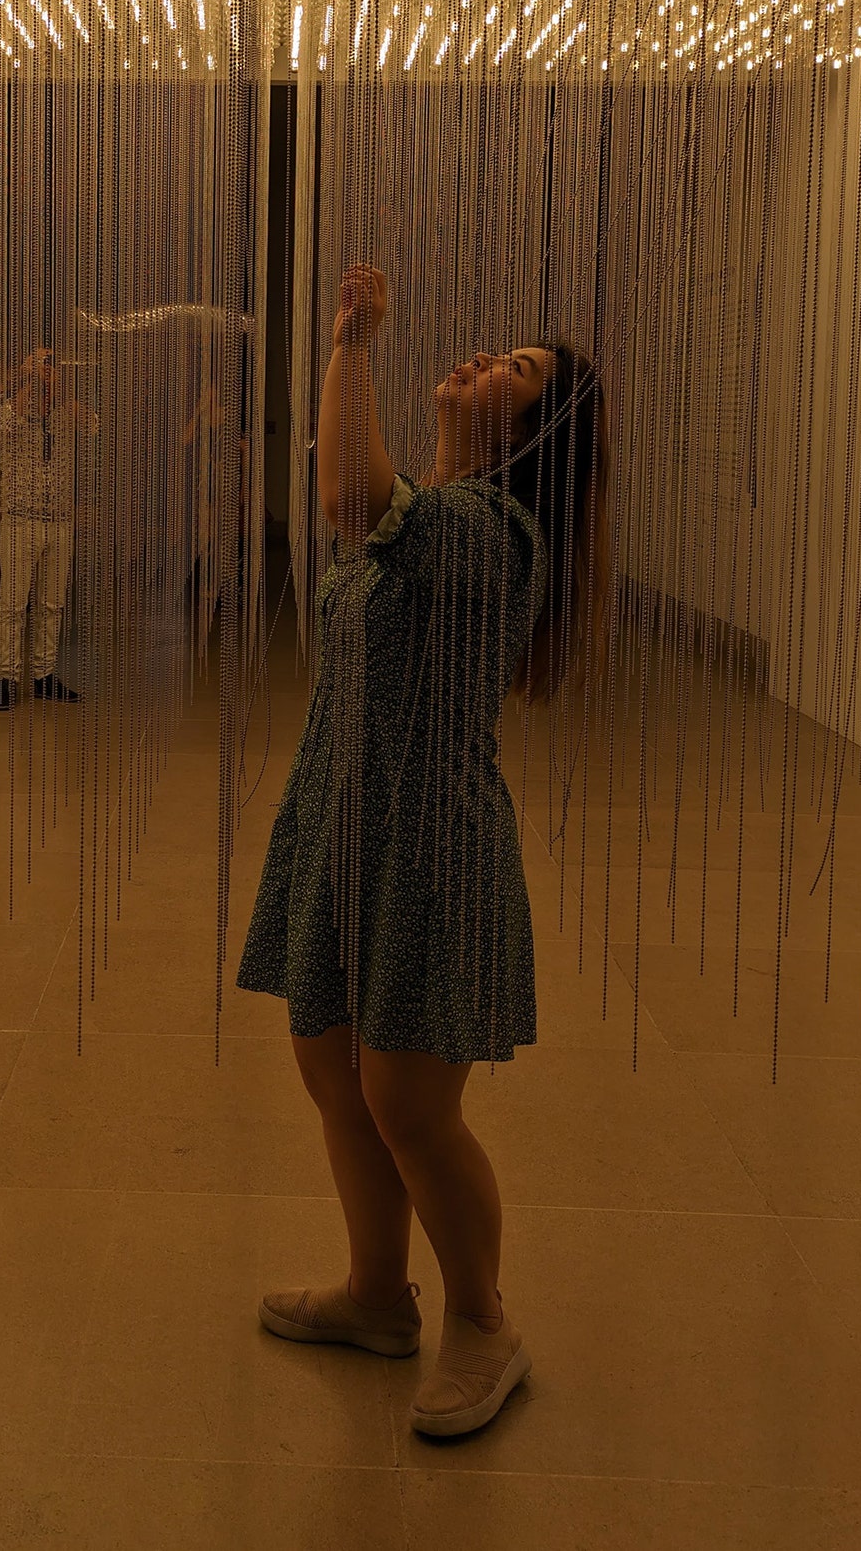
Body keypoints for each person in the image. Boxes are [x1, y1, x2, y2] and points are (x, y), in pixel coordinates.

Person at [237, 262, 609, 1440]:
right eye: (503, 346)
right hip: (341, 819)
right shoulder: (427, 519)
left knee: (408, 1099)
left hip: (427, 847)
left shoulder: (492, 530)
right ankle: (372, 1295)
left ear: (540, 428)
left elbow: (349, 491)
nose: (490, 360)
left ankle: (484, 1322)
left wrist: (352, 342)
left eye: (523, 370)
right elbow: (365, 504)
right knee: (329, 1066)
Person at [0, 345, 98, 711]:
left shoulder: (65, 413)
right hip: (19, 519)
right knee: (13, 604)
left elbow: (93, 424)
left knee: (52, 604)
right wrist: (28, 380)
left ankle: (44, 674)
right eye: (42, 363)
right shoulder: (9, 411)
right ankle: (6, 677)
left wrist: (58, 389)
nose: (47, 370)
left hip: (60, 522)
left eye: (52, 363)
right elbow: (6, 423)